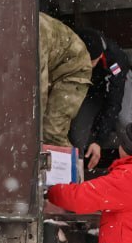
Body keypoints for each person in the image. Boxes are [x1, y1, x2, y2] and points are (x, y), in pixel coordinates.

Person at [69, 27, 132, 174]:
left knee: (124, 122)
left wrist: (99, 141)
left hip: (118, 83)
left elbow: (114, 102)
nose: (88, 65)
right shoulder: (74, 44)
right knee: (77, 131)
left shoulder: (115, 60)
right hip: (91, 88)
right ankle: (76, 176)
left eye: (91, 62)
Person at [38, 13, 92, 148]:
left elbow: (39, 88)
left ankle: (71, 167)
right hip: (54, 65)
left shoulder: (36, 34)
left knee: (52, 132)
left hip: (73, 69)